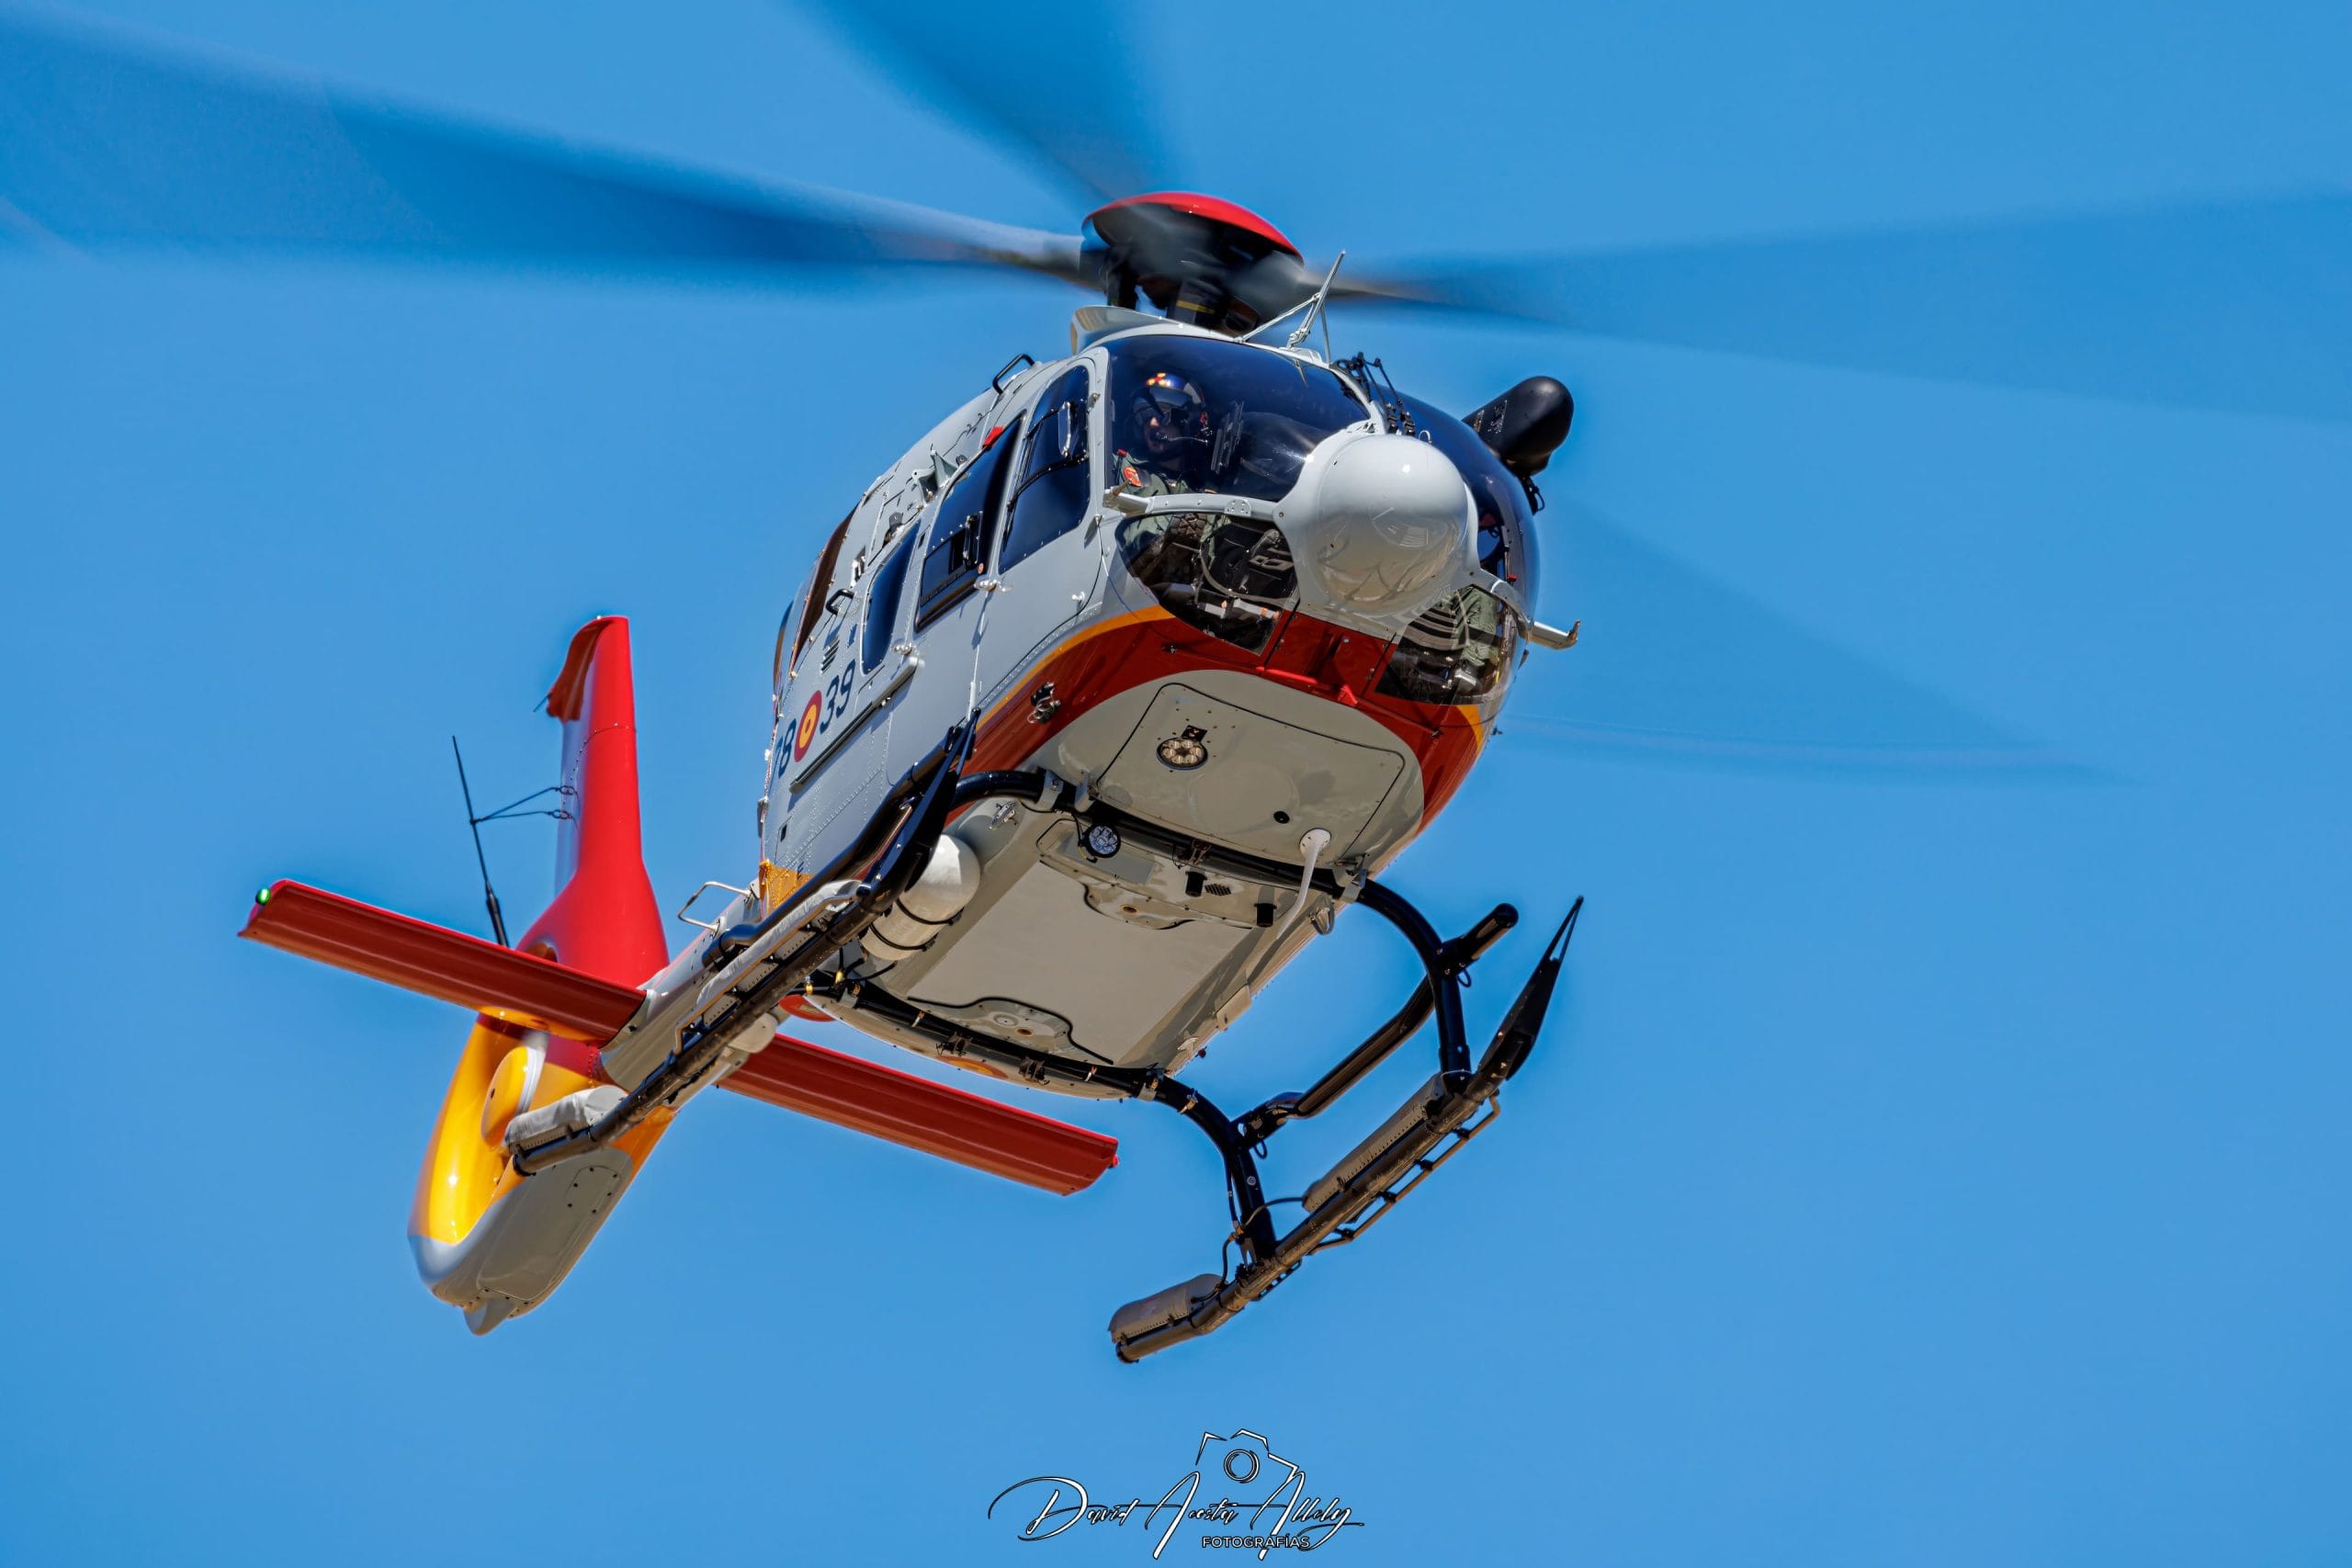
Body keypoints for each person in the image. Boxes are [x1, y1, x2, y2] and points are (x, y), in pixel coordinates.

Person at [1112, 370, 1214, 496]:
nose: (1152, 424)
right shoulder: (1118, 469)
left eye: (1163, 414)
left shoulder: (1210, 487)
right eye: (1145, 417)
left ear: (1189, 422)